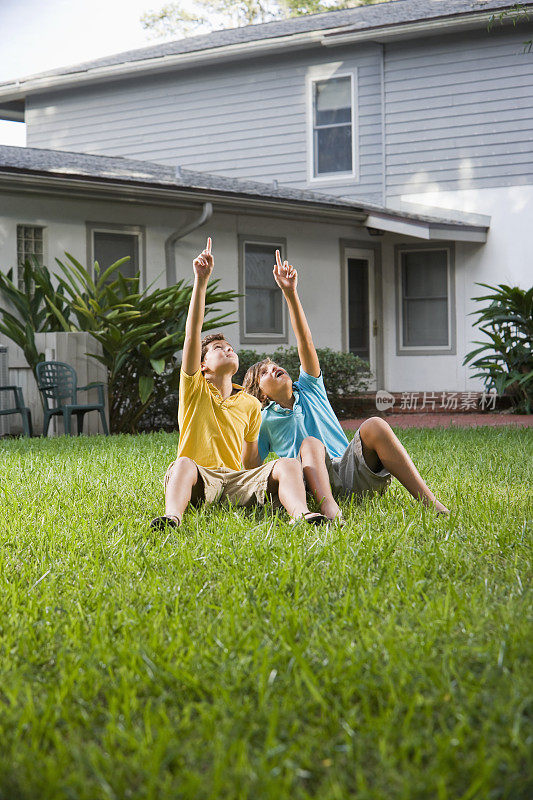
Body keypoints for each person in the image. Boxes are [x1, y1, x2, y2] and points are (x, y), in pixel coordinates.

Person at [243, 251, 450, 521]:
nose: (273, 368)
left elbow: (305, 341)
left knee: (375, 423)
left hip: (351, 472)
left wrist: (290, 293)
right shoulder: (264, 419)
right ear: (260, 394)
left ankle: (431, 503)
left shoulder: (309, 388)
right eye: (264, 372)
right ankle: (329, 508)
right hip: (311, 485)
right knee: (310, 444)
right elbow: (250, 467)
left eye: (274, 364)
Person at [150, 238, 327, 530]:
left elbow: (251, 461)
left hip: (236, 483)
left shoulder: (251, 404)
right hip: (200, 478)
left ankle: (303, 515)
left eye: (230, 346)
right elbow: (193, 334)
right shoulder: (194, 390)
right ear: (203, 365)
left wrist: (269, 475)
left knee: (288, 464)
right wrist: (201, 280)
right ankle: (173, 517)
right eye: (219, 348)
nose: (227, 349)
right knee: (181, 463)